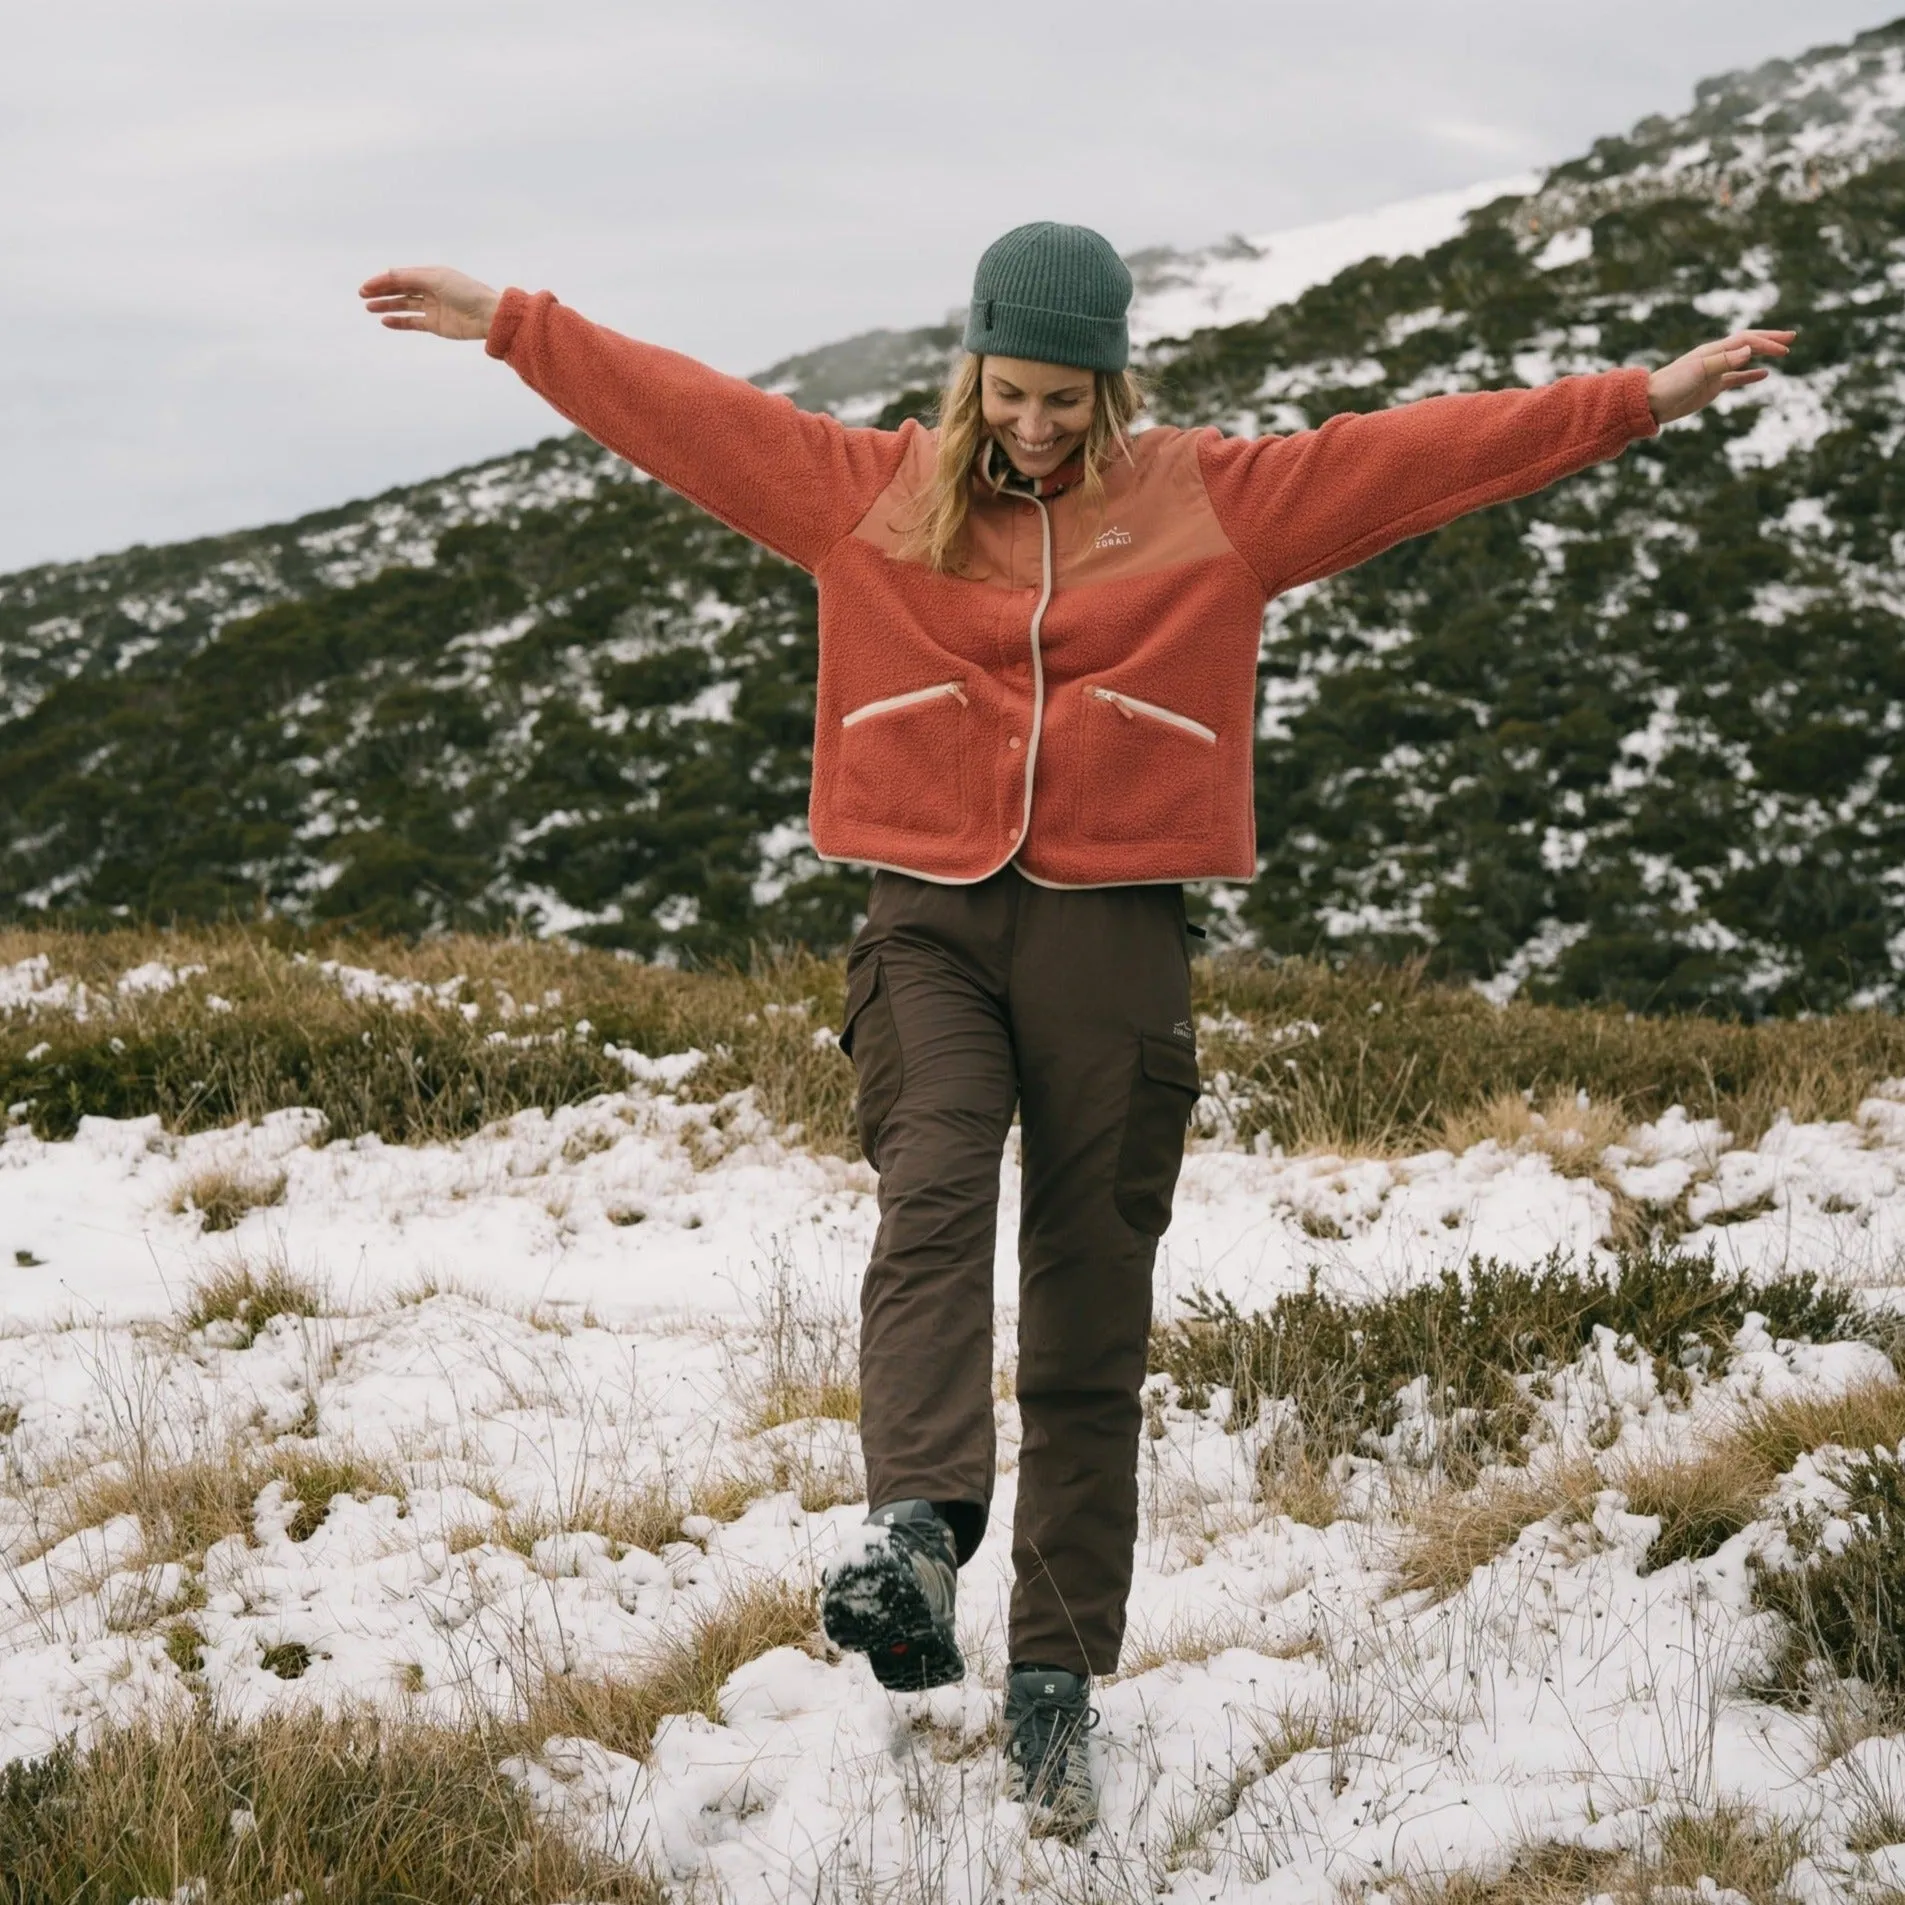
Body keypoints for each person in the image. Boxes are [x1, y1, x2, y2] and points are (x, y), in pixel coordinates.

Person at [361, 229, 1791, 1833]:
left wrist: (1643, 401)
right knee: (934, 1179)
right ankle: (914, 1531)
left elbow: (1417, 457)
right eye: (1015, 394)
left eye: (1069, 399)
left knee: (1090, 1308)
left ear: (1116, 384)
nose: (1038, 427)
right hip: (929, 916)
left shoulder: (1213, 499)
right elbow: (685, 413)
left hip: (1117, 938)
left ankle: (1055, 1679)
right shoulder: (874, 489)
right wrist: (516, 326)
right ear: (974, 369)